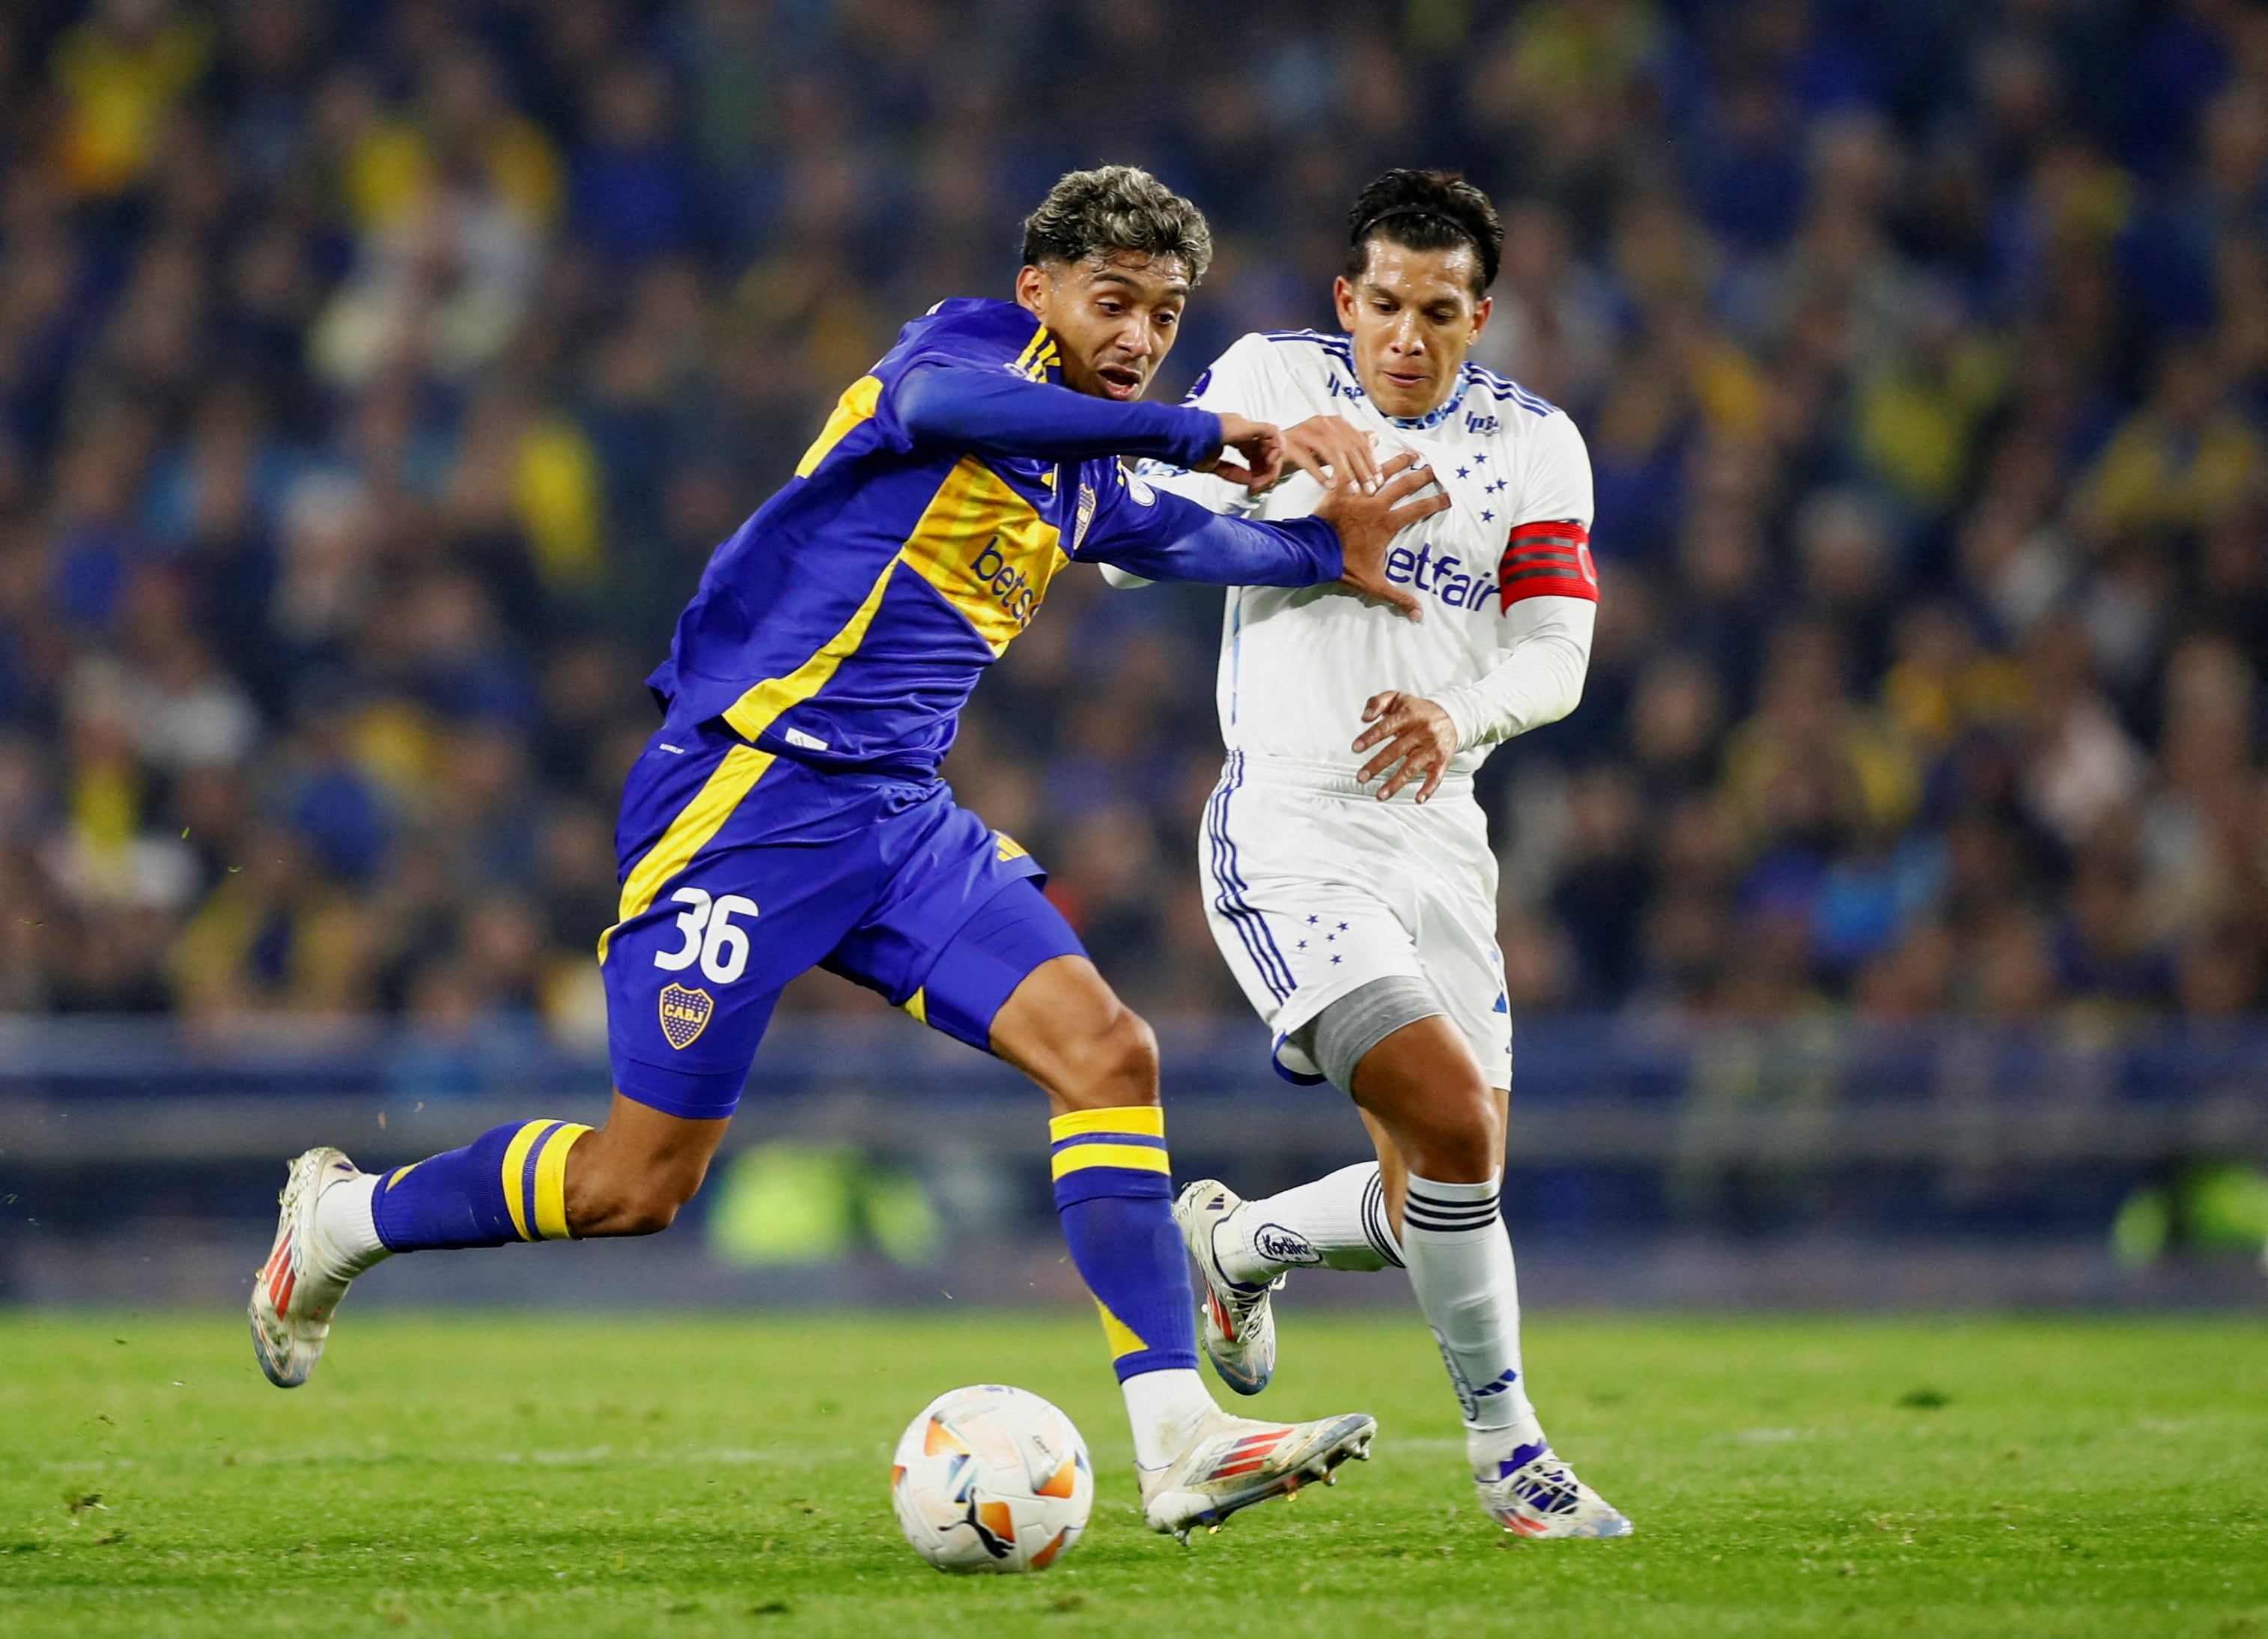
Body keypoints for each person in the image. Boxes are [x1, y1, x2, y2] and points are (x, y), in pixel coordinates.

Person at [248, 165, 1447, 1540]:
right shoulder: (965, 351)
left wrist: (1321, 557)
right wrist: (1196, 425)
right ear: (1039, 292)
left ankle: (1178, 1437)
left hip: (896, 819)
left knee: (1108, 1051)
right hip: (746, 801)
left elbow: (1182, 538)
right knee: (637, 1186)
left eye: (1165, 316)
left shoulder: (1082, 468)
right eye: (1110, 301)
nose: (1134, 335)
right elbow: (946, 413)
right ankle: (346, 1220)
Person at [1125, 169, 1629, 1538]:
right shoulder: (1270, 375)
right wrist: (1267, 475)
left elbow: (1557, 655)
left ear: (1482, 318)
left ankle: (1234, 1245)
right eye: (1387, 305)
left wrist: (1454, 712)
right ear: (1348, 299)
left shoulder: (1538, 445)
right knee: (1453, 1119)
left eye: (1441, 312)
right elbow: (1119, 549)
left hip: (1440, 837)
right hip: (1291, 821)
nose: (1406, 337)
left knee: (1444, 1193)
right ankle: (1509, 1454)